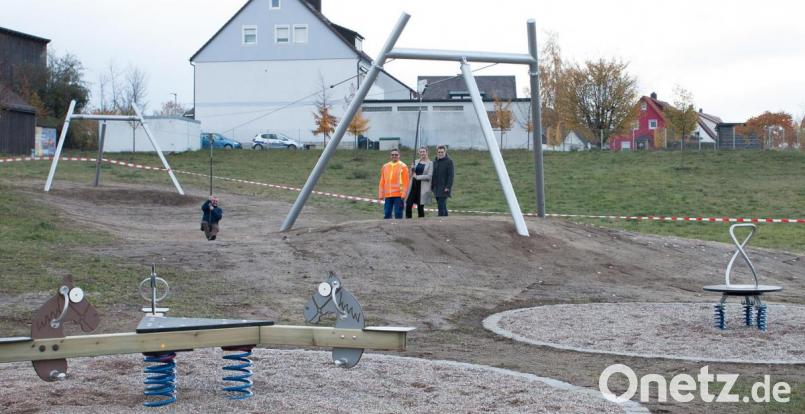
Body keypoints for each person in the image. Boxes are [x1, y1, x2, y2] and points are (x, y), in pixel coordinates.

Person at [378, 149, 409, 219]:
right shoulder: (385, 166)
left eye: (396, 155)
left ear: (399, 156)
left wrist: (404, 194)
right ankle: (387, 229)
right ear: (390, 156)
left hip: (399, 195)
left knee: (398, 214)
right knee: (387, 214)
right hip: (388, 195)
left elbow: (406, 182)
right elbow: (382, 181)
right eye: (392, 155)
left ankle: (398, 229)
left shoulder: (403, 166)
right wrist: (381, 194)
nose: (394, 156)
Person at [405, 146, 433, 218]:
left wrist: (417, 177)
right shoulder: (415, 161)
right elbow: (410, 175)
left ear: (427, 152)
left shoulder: (430, 163)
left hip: (422, 187)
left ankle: (421, 223)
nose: (422, 153)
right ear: (418, 153)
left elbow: (429, 176)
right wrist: (411, 169)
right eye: (421, 152)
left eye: (424, 151)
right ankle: (408, 221)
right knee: (408, 204)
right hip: (413, 186)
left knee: (420, 207)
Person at [431, 145, 454, 217]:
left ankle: (440, 222)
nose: (440, 153)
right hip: (436, 188)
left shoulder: (449, 162)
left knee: (441, 206)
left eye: (442, 152)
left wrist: (448, 187)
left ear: (445, 152)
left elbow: (451, 176)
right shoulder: (435, 162)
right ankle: (446, 221)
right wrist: (432, 186)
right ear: (437, 152)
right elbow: (433, 174)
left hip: (444, 188)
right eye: (439, 152)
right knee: (442, 206)